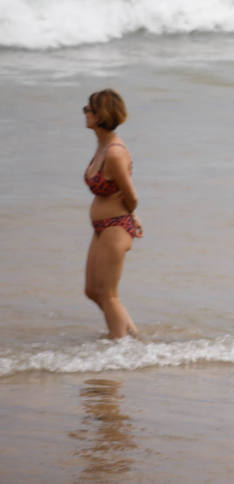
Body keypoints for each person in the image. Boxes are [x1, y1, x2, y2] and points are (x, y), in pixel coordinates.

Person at [82, 89, 140, 338]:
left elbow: (132, 196)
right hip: (103, 227)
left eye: (89, 109)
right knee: (92, 291)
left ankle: (120, 348)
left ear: (100, 115)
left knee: (108, 294)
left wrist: (131, 217)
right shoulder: (102, 146)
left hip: (116, 226)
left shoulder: (115, 153)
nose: (84, 113)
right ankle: (132, 338)